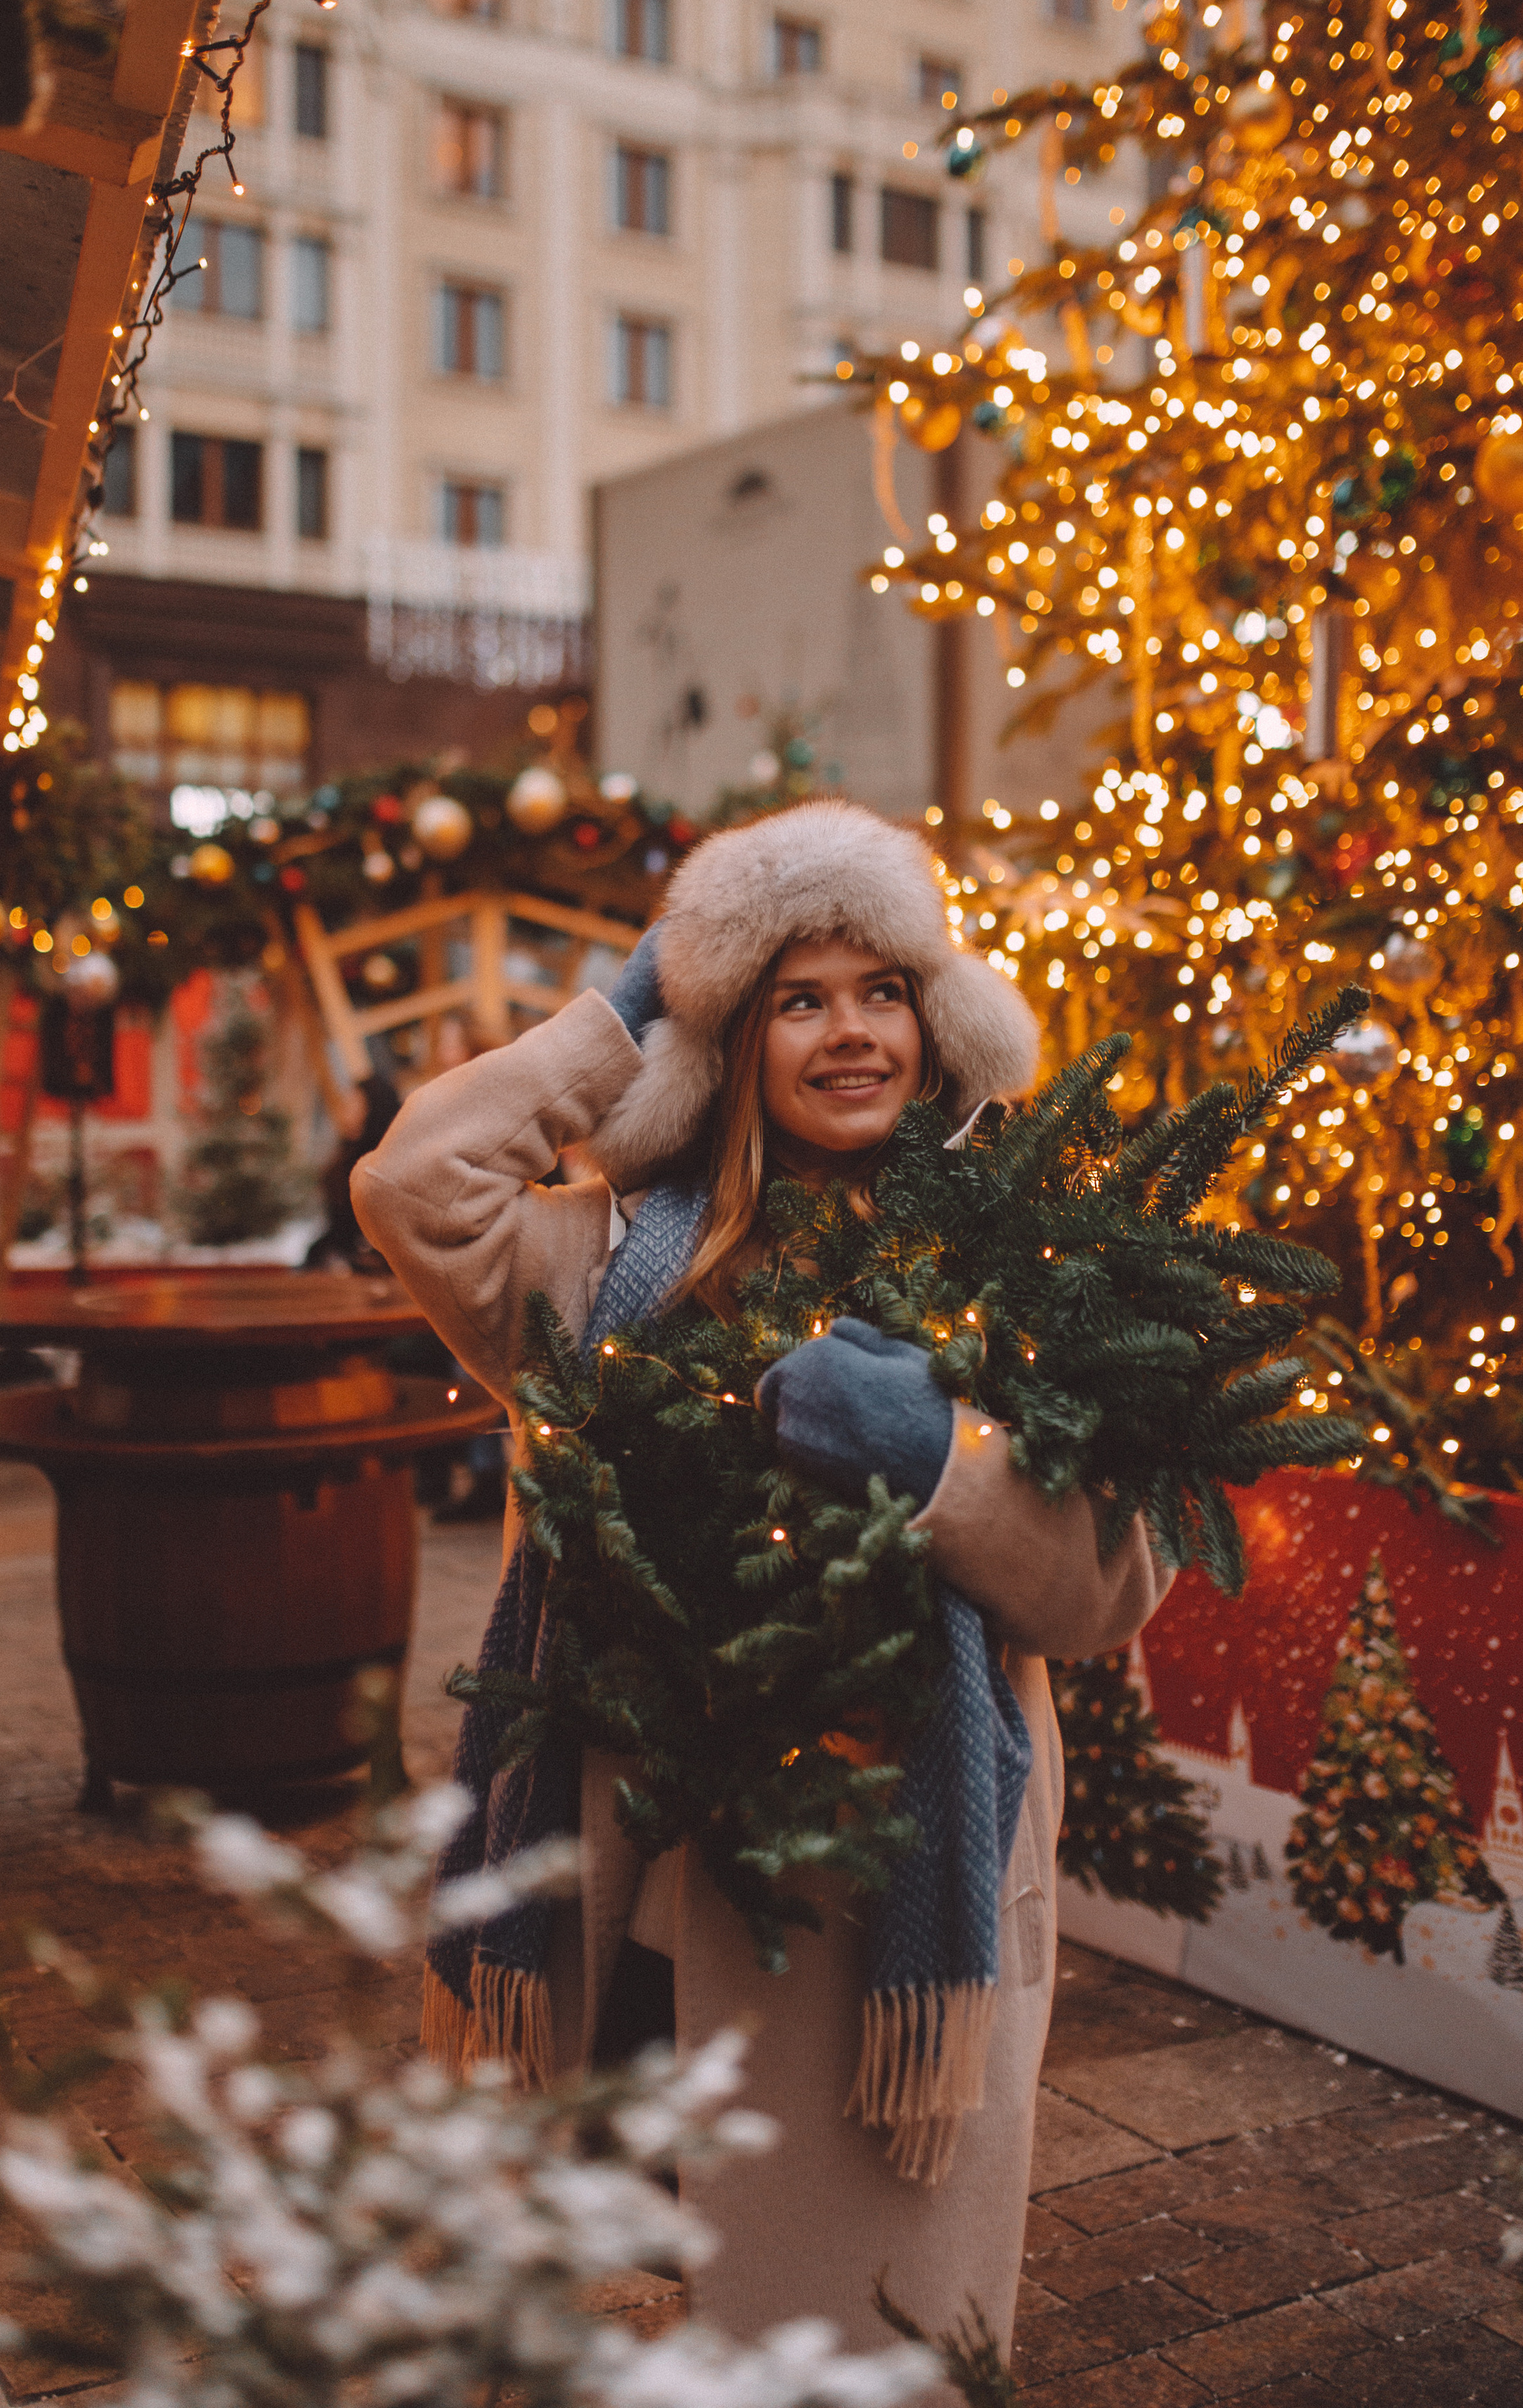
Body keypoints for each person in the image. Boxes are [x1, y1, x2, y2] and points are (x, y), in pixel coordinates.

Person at [352, 800, 1175, 2359]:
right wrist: (625, 1010)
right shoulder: (599, 1267)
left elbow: (1102, 1591)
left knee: (870, 2332)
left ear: (935, 1027)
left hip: (887, 1919)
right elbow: (413, 1186)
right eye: (797, 997)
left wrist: (936, 1458)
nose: (847, 1033)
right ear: (734, 1038)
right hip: (644, 1900)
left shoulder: (1015, 1271)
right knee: (638, 2328)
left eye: (880, 991)